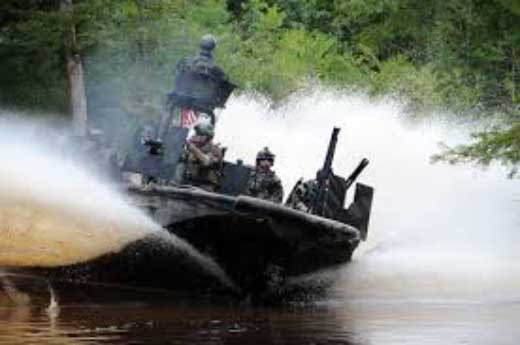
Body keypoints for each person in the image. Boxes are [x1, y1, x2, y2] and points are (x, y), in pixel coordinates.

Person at [176, 122, 224, 191]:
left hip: (204, 189)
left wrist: (193, 149)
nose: (195, 136)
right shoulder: (193, 148)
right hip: (188, 185)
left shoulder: (215, 150)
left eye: (199, 134)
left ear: (207, 137)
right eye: (196, 133)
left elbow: (206, 162)